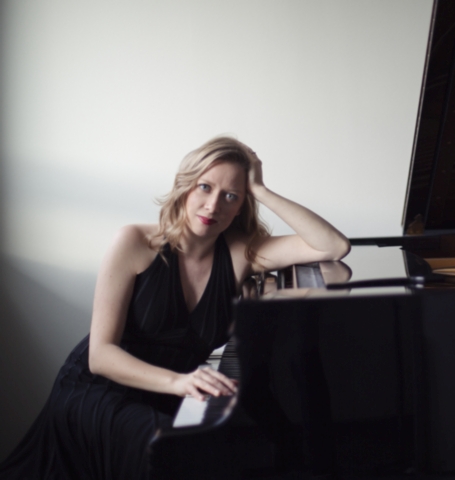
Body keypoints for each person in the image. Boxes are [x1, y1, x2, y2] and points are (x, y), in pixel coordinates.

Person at [0, 136, 350, 479]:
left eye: (231, 195)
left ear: (241, 205)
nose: (213, 206)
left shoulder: (240, 253)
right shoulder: (136, 242)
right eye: (205, 187)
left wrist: (261, 190)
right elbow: (100, 355)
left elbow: (333, 246)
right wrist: (179, 382)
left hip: (165, 394)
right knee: (184, 455)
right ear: (185, 186)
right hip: (98, 390)